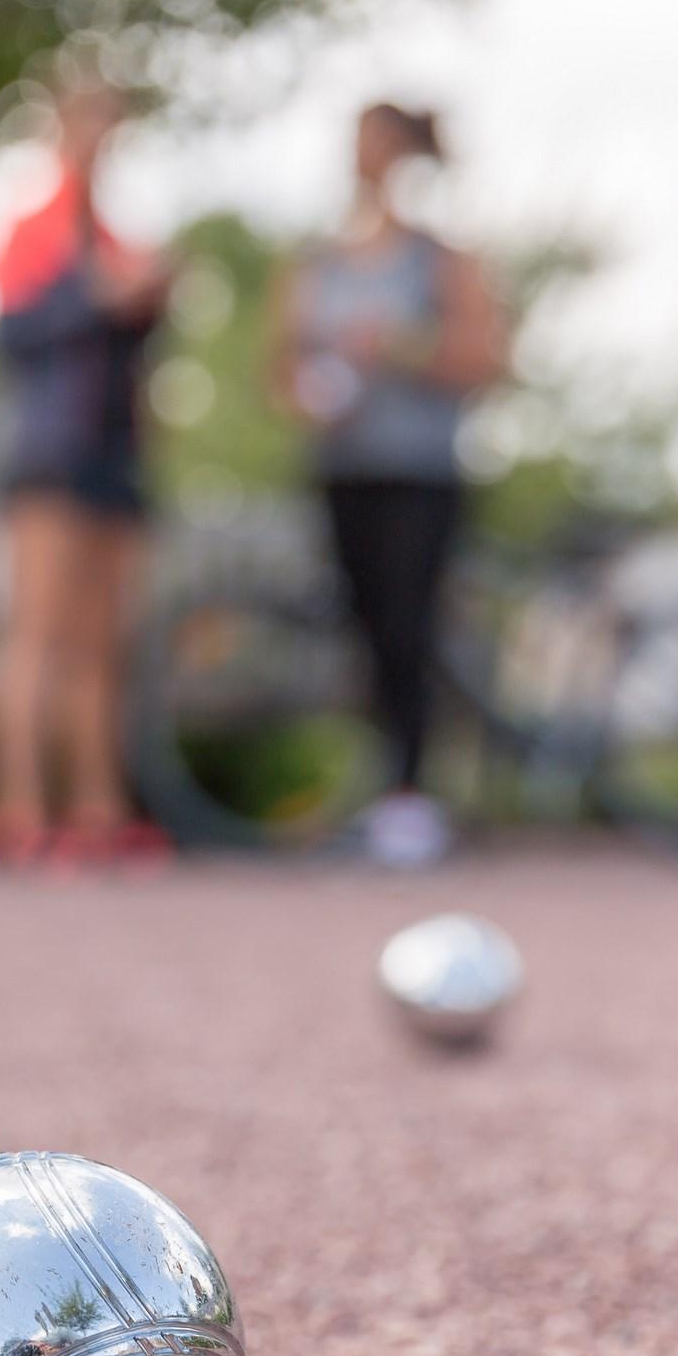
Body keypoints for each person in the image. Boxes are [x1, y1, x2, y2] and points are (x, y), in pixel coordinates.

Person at [266, 102, 508, 869]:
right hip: (344, 469)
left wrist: (401, 349)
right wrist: (306, 392)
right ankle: (379, 792)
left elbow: (484, 358)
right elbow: (278, 366)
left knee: (411, 626)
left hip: (421, 472)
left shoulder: (442, 259)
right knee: (363, 630)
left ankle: (411, 797)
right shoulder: (316, 264)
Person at [0, 80, 175, 868]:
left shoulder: (123, 242)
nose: (103, 135)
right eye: (90, 119)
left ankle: (98, 811)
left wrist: (147, 303)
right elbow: (8, 337)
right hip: (47, 457)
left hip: (114, 459)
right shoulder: (32, 230)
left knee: (99, 646)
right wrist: (90, 299)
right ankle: (17, 811)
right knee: (34, 636)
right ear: (61, 125)